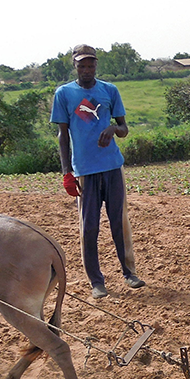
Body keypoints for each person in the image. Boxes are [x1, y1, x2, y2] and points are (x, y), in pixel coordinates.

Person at [51, 44, 144, 300]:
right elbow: (62, 135)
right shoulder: (64, 94)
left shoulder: (109, 90)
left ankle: (129, 273)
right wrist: (66, 173)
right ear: (75, 66)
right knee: (89, 226)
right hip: (85, 170)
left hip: (112, 166)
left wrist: (113, 130)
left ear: (96, 66)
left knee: (119, 223)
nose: (87, 70)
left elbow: (124, 128)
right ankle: (96, 281)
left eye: (91, 65)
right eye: (82, 65)